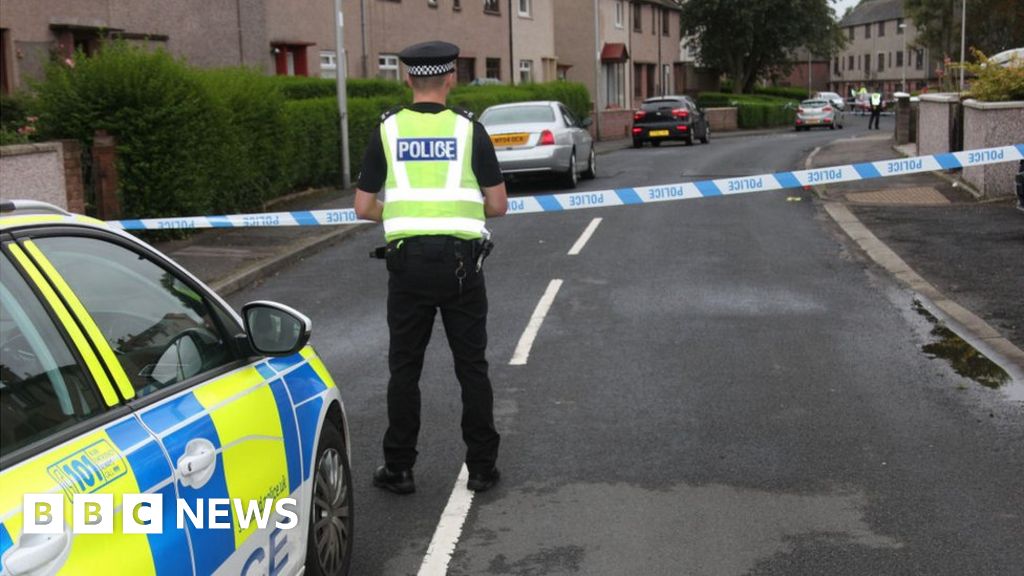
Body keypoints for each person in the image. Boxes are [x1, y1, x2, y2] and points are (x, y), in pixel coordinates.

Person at [354, 40, 508, 495]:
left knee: (405, 369)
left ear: (407, 79)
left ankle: (398, 468)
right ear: (450, 79)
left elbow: (364, 207)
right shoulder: (469, 130)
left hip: (407, 266)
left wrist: (405, 214)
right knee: (471, 368)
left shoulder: (387, 129)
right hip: (462, 267)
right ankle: (481, 468)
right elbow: (497, 204)